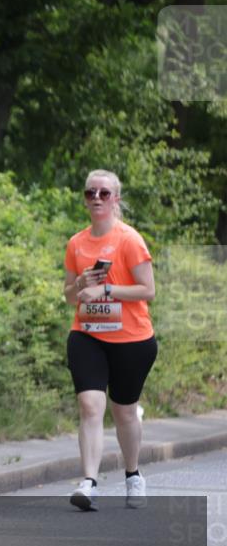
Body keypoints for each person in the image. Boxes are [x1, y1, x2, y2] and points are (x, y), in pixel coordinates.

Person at [63, 169, 157, 511]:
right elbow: (70, 298)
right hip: (88, 336)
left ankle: (133, 474)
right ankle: (88, 482)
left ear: (116, 199)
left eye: (104, 193)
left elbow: (148, 289)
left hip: (132, 339)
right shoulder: (76, 243)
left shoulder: (129, 239)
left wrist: (106, 289)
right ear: (85, 199)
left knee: (125, 412)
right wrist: (80, 284)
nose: (97, 199)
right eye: (91, 193)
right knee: (90, 406)